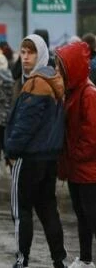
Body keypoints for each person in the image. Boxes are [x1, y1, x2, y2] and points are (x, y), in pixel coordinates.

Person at [5, 35, 67, 268]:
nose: (25, 57)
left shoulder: (36, 82)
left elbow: (25, 124)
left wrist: (11, 150)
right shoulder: (54, 78)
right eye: (22, 52)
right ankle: (59, 259)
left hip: (29, 156)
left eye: (30, 52)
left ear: (40, 54)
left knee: (21, 211)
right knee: (48, 208)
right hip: (49, 155)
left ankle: (22, 260)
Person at [55, 41, 96, 268]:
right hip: (77, 168)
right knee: (82, 215)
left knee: (91, 215)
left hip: (87, 169)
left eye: (61, 66)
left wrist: (77, 156)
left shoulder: (88, 93)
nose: (58, 71)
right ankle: (86, 259)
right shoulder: (74, 91)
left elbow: (92, 134)